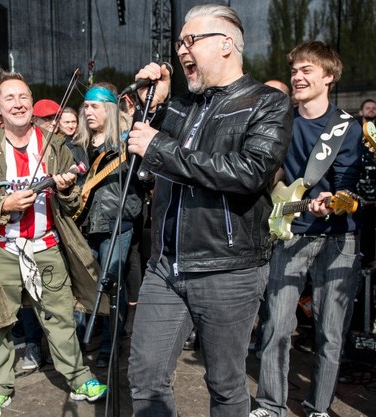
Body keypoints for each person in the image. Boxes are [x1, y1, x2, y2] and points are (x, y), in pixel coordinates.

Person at [125, 4, 293, 416]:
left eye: (190, 40)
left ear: (226, 44)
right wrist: (158, 105)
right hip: (166, 268)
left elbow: (249, 172)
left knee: (224, 383)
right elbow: (147, 165)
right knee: (145, 379)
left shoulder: (267, 103)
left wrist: (160, 147)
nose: (181, 50)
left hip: (228, 269)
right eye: (179, 42)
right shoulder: (184, 106)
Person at [0, 67, 108, 417]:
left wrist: (68, 189)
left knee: (60, 317)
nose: (19, 103)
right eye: (10, 98)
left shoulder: (55, 145)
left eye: (24, 96)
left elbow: (72, 204)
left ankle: (79, 377)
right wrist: (2, 205)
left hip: (47, 246)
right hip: (2, 250)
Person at [250, 41, 363, 417]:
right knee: (276, 326)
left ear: (328, 77)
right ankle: (270, 404)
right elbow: (274, 174)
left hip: (337, 236)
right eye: (294, 70)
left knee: (331, 334)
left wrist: (334, 198)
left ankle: (319, 408)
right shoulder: (283, 122)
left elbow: (348, 186)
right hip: (289, 231)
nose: (297, 77)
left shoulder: (347, 127)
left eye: (306, 71)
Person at [73, 82, 141, 368]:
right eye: (86, 107)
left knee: (111, 284)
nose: (88, 112)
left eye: (95, 107)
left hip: (116, 222)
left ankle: (110, 346)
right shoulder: (77, 144)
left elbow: (143, 179)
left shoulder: (126, 141)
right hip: (84, 223)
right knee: (83, 283)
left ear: (110, 109)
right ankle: (80, 342)